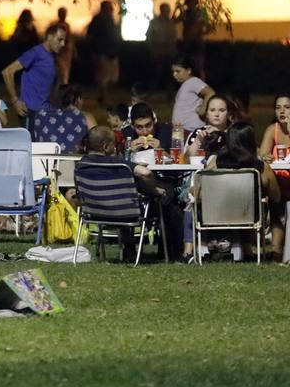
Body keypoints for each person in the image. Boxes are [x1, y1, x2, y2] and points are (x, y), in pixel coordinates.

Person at [77, 125, 183, 261]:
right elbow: (146, 172)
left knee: (121, 201)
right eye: (113, 144)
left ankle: (129, 250)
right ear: (105, 147)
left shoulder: (81, 165)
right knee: (167, 198)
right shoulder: (118, 164)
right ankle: (174, 253)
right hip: (124, 213)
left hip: (94, 212)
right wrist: (156, 190)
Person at [199, 121, 283, 260]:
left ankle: (247, 251)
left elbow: (201, 189)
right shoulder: (262, 168)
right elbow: (276, 196)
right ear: (251, 141)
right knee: (275, 206)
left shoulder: (216, 163)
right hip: (250, 216)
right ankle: (276, 251)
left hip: (217, 215)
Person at [1, 21, 69, 141]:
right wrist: (15, 100)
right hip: (30, 112)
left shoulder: (51, 56)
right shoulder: (35, 53)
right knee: (31, 150)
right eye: (60, 39)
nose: (63, 44)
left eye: (64, 40)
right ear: (49, 37)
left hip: (46, 112)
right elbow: (7, 72)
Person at [35, 84, 91, 153]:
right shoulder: (84, 117)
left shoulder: (41, 115)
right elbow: (97, 140)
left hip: (46, 160)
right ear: (78, 100)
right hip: (73, 160)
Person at [87, 1, 121, 104]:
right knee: (103, 77)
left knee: (111, 77)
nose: (111, 10)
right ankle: (104, 97)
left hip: (111, 52)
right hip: (101, 52)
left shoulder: (110, 20)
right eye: (109, 8)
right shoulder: (98, 20)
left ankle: (103, 96)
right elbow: (91, 36)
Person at [170, 56, 214, 132]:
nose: (174, 74)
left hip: (191, 130)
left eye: (178, 71)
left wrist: (202, 110)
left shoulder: (193, 81)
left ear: (188, 71)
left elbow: (210, 92)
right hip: (182, 130)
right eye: (173, 71)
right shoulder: (186, 84)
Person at [188, 93, 234, 158]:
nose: (217, 114)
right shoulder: (198, 133)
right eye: (212, 110)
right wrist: (197, 141)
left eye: (221, 110)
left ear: (228, 113)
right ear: (207, 114)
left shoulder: (235, 133)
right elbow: (186, 160)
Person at [145, 2, 178, 69]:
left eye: (168, 11)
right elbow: (148, 36)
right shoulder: (155, 22)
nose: (167, 13)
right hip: (158, 53)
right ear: (161, 11)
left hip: (168, 53)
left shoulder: (171, 23)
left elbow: (174, 36)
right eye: (165, 11)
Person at [49, 8, 77, 85]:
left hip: (66, 53)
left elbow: (70, 38)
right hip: (61, 53)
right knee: (62, 72)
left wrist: (74, 50)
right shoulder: (58, 26)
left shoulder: (66, 25)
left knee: (64, 71)